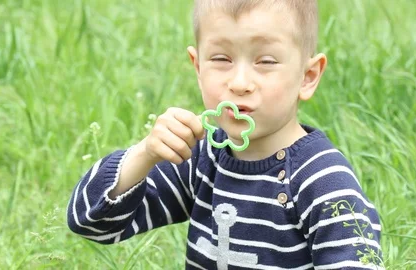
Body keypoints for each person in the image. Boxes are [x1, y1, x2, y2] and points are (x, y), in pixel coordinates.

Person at [67, 0, 383, 269]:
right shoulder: (201, 158)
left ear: (307, 76)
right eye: (221, 59)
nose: (240, 82)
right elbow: (90, 224)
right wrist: (145, 153)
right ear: (198, 67)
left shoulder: (325, 181)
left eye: (266, 61)